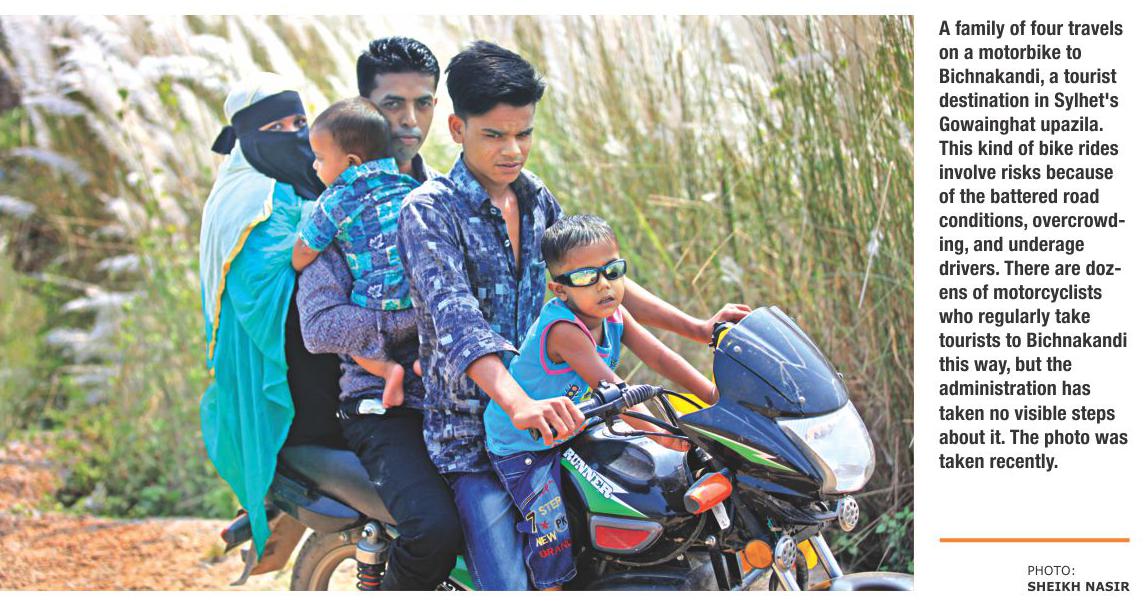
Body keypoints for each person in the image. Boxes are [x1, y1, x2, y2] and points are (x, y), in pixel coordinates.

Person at [397, 41, 750, 590]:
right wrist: (519, 403)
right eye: (495, 135)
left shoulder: (534, 197)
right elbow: (459, 326)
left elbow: (596, 282)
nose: (513, 150)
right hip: (479, 438)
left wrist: (700, 329)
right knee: (514, 586)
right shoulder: (429, 211)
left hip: (568, 418)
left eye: (524, 134)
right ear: (457, 128)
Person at [295, 36, 462, 590]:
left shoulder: (451, 198)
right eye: (394, 103)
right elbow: (320, 325)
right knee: (434, 529)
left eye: (424, 102)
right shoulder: (335, 210)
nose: (410, 119)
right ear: (366, 108)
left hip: (465, 395)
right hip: (384, 408)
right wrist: (410, 321)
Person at [484, 214, 716, 590]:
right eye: (586, 277)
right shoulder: (564, 331)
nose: (604, 285)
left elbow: (659, 357)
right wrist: (667, 438)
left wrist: (712, 395)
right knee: (552, 529)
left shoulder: (614, 314)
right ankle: (551, 587)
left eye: (612, 270)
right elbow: (617, 392)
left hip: (576, 422)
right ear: (559, 290)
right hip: (525, 444)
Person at [198, 72, 342, 558]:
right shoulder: (246, 195)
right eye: (276, 127)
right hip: (272, 344)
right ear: (247, 137)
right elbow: (262, 281)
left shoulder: (300, 178)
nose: (293, 135)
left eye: (299, 122)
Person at [292, 97, 422, 409]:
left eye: (320, 158)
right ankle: (422, 360)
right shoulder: (408, 186)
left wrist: (295, 258)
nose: (314, 166)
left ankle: (388, 371)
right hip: (417, 300)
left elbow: (303, 252)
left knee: (353, 341)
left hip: (374, 304)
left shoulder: (336, 199)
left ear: (351, 162)